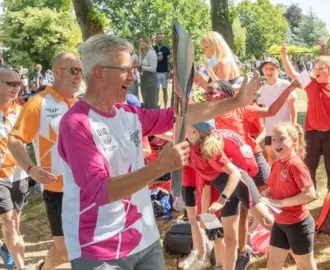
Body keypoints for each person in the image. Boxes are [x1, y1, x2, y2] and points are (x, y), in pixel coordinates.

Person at [55, 34, 261, 269]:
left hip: (144, 237)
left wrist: (234, 103)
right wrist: (159, 168)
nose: (134, 75)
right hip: (98, 246)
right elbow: (100, 191)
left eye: (134, 68)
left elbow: (180, 115)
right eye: (126, 69)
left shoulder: (129, 113)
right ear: (100, 72)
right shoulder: (76, 123)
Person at [203, 78, 299, 269]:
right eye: (206, 93)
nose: (207, 96)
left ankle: (294, 247)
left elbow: (271, 111)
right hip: (228, 171)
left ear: (226, 95)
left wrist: (289, 89)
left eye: (212, 93)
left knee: (271, 200)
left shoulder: (240, 109)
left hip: (252, 162)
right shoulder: (206, 117)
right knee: (240, 213)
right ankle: (243, 251)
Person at [8, 52, 82, 270]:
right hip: (57, 188)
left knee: (87, 244)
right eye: (73, 70)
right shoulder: (38, 103)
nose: (79, 75)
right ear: (57, 73)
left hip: (85, 188)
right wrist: (31, 168)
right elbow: (15, 140)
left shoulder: (81, 104)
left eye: (81, 71)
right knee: (64, 251)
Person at [185, 120, 273, 270]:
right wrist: (206, 215)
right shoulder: (190, 146)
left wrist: (222, 199)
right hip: (225, 191)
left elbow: (235, 174)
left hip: (239, 185)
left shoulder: (210, 151)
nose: (182, 128)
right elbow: (206, 184)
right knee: (229, 239)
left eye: (186, 125)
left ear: (195, 132)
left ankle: (298, 248)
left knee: (267, 222)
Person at [281, 45, 330, 191]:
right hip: (312, 134)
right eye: (316, 68)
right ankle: (311, 192)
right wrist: (284, 56)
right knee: (309, 166)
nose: (317, 71)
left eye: (322, 68)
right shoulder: (310, 83)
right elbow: (291, 73)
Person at [262, 123, 317, 270]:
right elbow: (272, 187)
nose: (276, 143)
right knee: (273, 266)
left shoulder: (296, 165)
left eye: (282, 139)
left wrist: (282, 203)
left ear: (294, 141)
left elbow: (310, 193)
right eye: (273, 139)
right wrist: (265, 194)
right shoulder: (276, 164)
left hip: (298, 225)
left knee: (306, 267)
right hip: (280, 224)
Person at [0, 68, 28, 270]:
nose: (16, 88)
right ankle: (21, 267)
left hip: (20, 174)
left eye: (18, 84)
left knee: (15, 221)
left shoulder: (21, 111)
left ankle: (6, 248)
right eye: (11, 84)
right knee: (9, 221)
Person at [257, 58, 297, 165]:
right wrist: (262, 130)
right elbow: (262, 112)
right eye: (266, 69)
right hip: (269, 131)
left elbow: (292, 107)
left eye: (272, 69)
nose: (269, 72)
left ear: (278, 70)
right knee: (271, 158)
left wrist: (293, 126)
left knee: (286, 157)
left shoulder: (285, 84)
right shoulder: (261, 89)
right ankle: (273, 181)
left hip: (285, 130)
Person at [139, 35, 159, 109]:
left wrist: (142, 67)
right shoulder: (143, 53)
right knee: (146, 101)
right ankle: (149, 119)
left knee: (151, 102)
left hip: (151, 79)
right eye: (140, 41)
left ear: (148, 42)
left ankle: (155, 118)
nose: (141, 43)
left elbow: (153, 69)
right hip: (144, 79)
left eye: (143, 41)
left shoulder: (151, 52)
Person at [153, 32, 171, 108]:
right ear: (156, 38)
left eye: (161, 38)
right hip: (156, 72)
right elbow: (151, 60)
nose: (160, 39)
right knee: (156, 91)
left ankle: (166, 107)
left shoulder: (166, 49)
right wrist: (156, 59)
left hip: (164, 73)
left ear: (163, 39)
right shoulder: (153, 48)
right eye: (159, 37)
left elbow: (169, 60)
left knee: (165, 91)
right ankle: (156, 107)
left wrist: (169, 71)